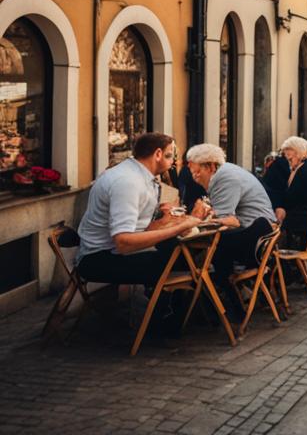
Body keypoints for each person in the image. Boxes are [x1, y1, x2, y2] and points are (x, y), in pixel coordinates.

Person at [76, 134, 204, 302]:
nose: (174, 161)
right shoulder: (128, 182)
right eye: (171, 154)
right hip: (98, 259)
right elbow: (123, 243)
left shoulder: (139, 176)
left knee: (186, 254)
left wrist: (166, 221)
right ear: (158, 154)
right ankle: (161, 325)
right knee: (182, 261)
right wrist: (178, 228)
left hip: (111, 252)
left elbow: (139, 229)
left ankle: (181, 316)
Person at [185, 143, 277, 317]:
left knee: (213, 247)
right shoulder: (227, 171)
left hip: (254, 239)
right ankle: (230, 302)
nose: (194, 177)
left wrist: (196, 220)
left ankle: (225, 304)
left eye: (197, 172)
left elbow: (225, 219)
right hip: (261, 232)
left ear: (211, 166)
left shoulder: (223, 178)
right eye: (192, 172)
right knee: (217, 253)